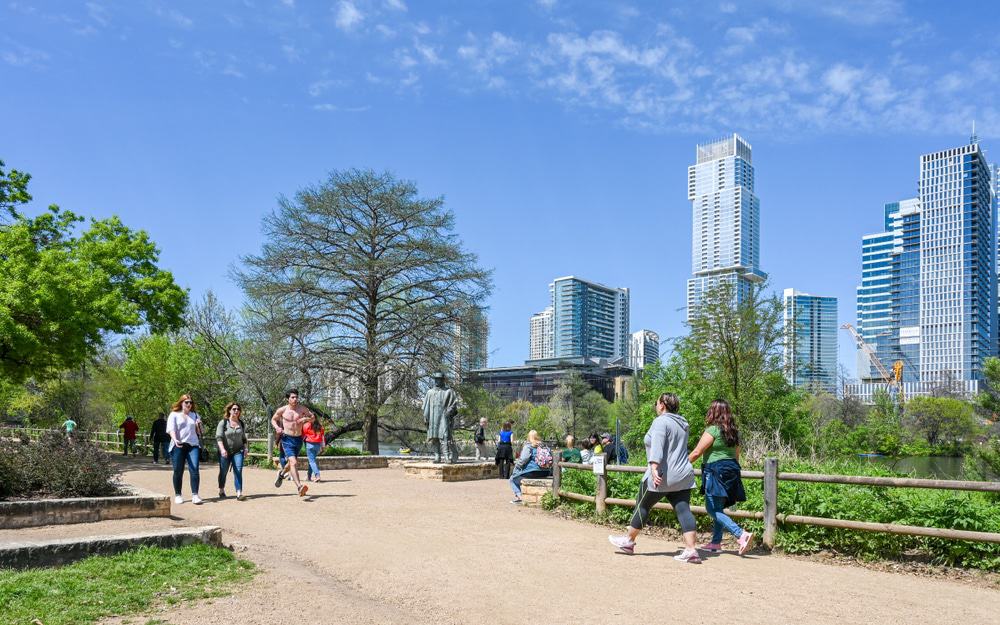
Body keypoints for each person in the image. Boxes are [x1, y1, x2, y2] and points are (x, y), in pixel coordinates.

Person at [608, 393, 700, 563]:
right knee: (683, 509)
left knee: (642, 505)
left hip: (662, 474)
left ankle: (629, 541)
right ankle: (691, 550)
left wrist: (654, 467)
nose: (655, 406)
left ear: (662, 405)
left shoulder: (660, 421)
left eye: (656, 403)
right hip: (683, 474)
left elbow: (657, 445)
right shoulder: (683, 423)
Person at [688, 399, 753, 555]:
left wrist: (681, 464)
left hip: (715, 470)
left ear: (714, 412)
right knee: (719, 508)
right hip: (732, 470)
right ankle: (716, 542)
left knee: (711, 508)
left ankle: (741, 534)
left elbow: (697, 452)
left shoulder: (713, 430)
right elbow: (737, 456)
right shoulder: (734, 432)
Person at [271, 388, 312, 497]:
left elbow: (312, 418)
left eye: (296, 397)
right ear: (288, 399)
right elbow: (273, 419)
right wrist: (277, 428)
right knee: (293, 463)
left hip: (298, 439)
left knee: (290, 464)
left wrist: (305, 419)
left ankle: (281, 474)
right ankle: (299, 487)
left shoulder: (302, 409)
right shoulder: (282, 410)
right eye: (293, 397)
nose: (295, 399)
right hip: (287, 439)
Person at [167, 394, 203, 505]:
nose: (189, 404)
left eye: (190, 402)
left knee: (195, 469)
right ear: (181, 403)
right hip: (178, 445)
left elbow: (200, 432)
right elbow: (170, 429)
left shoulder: (195, 415)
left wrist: (199, 425)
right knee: (178, 470)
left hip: (193, 445)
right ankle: (178, 494)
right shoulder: (174, 414)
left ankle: (195, 495)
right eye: (186, 402)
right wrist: (175, 439)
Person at [509, 430, 552, 504]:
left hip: (532, 471)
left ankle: (521, 498)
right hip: (546, 472)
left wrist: (517, 467)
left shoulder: (529, 446)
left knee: (512, 479)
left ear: (529, 437)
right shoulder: (544, 446)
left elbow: (523, 459)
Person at [217, 402, 249, 501]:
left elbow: (243, 438)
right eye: (234, 409)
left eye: (238, 409)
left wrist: (246, 448)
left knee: (238, 470)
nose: (236, 411)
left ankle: (239, 493)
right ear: (229, 410)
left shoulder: (241, 423)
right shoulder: (223, 422)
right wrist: (222, 449)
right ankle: (221, 489)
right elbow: (219, 437)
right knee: (223, 471)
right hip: (225, 451)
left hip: (237, 451)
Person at [303, 412, 325, 483]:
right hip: (317, 446)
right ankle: (308, 476)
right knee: (311, 461)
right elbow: (322, 438)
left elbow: (303, 434)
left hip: (310, 445)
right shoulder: (320, 427)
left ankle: (317, 475)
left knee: (311, 461)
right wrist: (323, 447)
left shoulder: (306, 425)